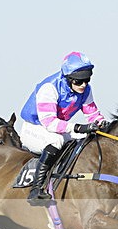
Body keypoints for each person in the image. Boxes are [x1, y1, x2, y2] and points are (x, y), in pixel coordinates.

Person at [20, 51, 109, 205]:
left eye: (87, 80)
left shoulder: (86, 90)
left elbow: (92, 114)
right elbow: (49, 123)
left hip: (56, 129)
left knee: (86, 139)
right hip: (34, 128)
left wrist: (101, 123)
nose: (84, 85)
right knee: (56, 141)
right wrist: (78, 127)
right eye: (79, 81)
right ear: (68, 78)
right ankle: (36, 190)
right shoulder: (49, 88)